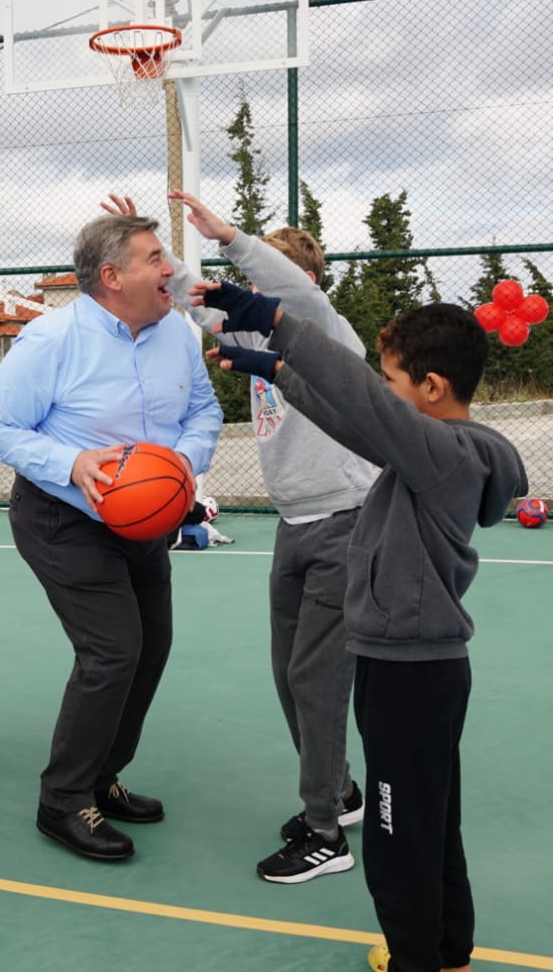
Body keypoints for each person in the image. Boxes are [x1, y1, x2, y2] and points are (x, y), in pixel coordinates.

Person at [196, 280, 526, 972]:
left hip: (410, 672)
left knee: (396, 834)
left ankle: (417, 964)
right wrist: (280, 374)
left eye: (395, 378)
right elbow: (359, 421)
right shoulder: (440, 448)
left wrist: (277, 322)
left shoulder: (443, 455)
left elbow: (367, 405)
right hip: (410, 663)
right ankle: (447, 959)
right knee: (431, 825)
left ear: (431, 387)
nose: (385, 387)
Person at [111, 192, 375, 883]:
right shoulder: (255, 340)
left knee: (316, 682)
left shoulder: (326, 330)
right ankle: (339, 792)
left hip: (345, 521)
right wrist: (151, 243)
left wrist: (229, 237)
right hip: (296, 523)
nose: (252, 296)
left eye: (265, 284)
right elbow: (192, 298)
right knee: (292, 675)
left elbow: (291, 292)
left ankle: (325, 833)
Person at [0, 212, 222, 861]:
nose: (169, 267)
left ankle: (101, 776)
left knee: (151, 645)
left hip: (144, 515)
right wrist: (73, 464)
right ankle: (61, 800)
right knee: (113, 649)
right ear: (112, 277)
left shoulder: (177, 334)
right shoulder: (52, 338)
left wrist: (182, 467)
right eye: (154, 257)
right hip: (63, 516)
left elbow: (204, 410)